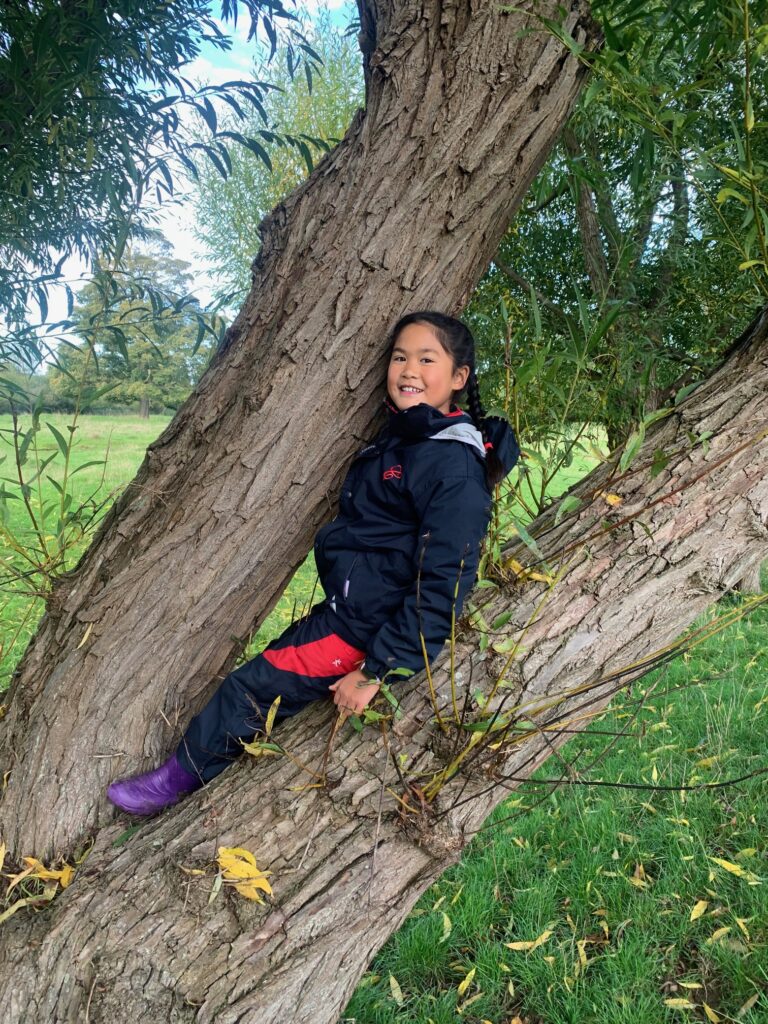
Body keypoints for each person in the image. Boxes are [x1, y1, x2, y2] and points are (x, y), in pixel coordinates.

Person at [107, 310, 520, 815]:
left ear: (459, 378)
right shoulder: (412, 436)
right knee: (266, 675)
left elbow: (444, 586)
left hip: (365, 628)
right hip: (351, 608)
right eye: (399, 357)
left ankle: (174, 783)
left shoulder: (451, 465)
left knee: (250, 689)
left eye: (426, 359)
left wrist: (378, 671)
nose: (408, 370)